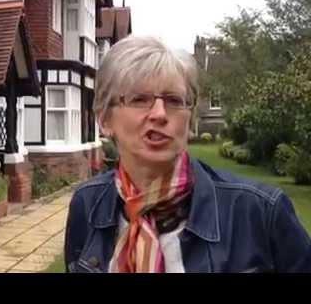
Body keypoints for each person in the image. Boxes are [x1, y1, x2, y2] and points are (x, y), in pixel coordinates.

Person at [64, 36, 311, 273]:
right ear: (105, 119)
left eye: (173, 100)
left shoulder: (260, 212)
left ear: (189, 117)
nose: (160, 113)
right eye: (139, 99)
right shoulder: (88, 204)